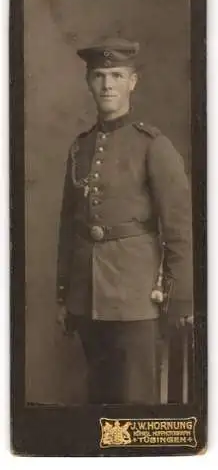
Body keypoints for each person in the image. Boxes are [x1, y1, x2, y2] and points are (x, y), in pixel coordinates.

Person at [56, 37, 193, 404]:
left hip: (136, 298)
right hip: (88, 297)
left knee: (134, 404)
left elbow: (180, 230)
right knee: (98, 401)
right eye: (99, 75)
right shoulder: (80, 148)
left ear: (133, 81)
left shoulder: (153, 146)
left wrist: (180, 299)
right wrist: (65, 294)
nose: (107, 85)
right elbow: (68, 226)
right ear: (88, 81)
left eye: (117, 75)